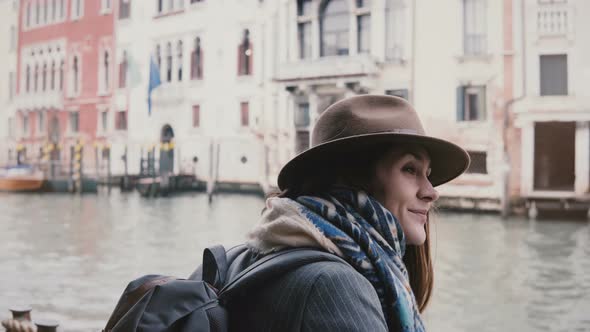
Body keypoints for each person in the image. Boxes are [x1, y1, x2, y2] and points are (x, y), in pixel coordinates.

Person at [231, 95, 470, 331]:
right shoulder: (336, 286)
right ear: (350, 180)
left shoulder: (248, 254)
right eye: (409, 169)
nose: (431, 192)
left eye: (427, 173)